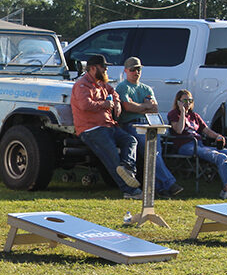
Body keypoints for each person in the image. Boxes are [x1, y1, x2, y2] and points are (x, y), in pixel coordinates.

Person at [70, 54, 142, 199]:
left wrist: (116, 102)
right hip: (91, 129)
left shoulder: (101, 82)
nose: (106, 69)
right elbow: (84, 105)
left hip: (109, 125)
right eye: (103, 67)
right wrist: (104, 104)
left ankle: (127, 167)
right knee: (112, 156)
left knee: (130, 140)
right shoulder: (82, 85)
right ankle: (130, 191)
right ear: (92, 68)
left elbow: (112, 92)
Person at [115, 56, 183, 198]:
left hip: (149, 123)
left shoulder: (146, 88)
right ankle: (169, 184)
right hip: (131, 125)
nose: (136, 72)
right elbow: (127, 106)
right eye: (133, 69)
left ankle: (160, 188)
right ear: (126, 70)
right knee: (151, 152)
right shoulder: (123, 87)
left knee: (155, 153)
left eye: (138, 69)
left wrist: (139, 106)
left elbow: (154, 108)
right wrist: (145, 106)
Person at [167, 90, 227, 200]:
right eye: (185, 100)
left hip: (199, 144)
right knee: (221, 157)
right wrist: (182, 112)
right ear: (178, 101)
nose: (188, 103)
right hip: (186, 145)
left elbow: (207, 131)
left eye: (190, 100)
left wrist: (218, 136)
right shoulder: (174, 114)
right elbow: (179, 130)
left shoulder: (194, 116)